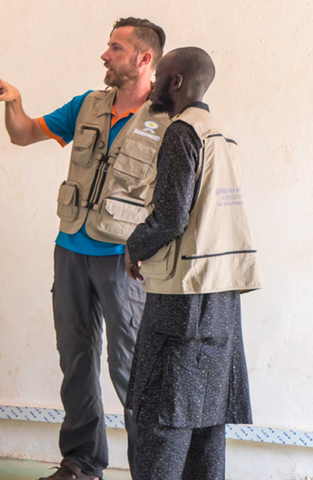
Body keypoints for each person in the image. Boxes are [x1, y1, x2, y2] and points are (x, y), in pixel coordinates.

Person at [0, 17, 172, 480]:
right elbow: (22, 133)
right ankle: (81, 465)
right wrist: (14, 101)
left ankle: (155, 470)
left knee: (132, 368)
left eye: (116, 48)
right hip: (70, 251)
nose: (105, 55)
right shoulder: (87, 105)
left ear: (144, 59)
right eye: (108, 46)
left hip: (126, 262)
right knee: (76, 361)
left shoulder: (168, 122)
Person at [124, 47, 262, 480]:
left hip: (181, 301)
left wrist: (134, 247)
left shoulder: (182, 132)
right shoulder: (223, 136)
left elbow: (171, 215)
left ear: (176, 82)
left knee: (160, 420)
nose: (153, 85)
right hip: (221, 301)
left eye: (160, 76)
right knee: (206, 422)